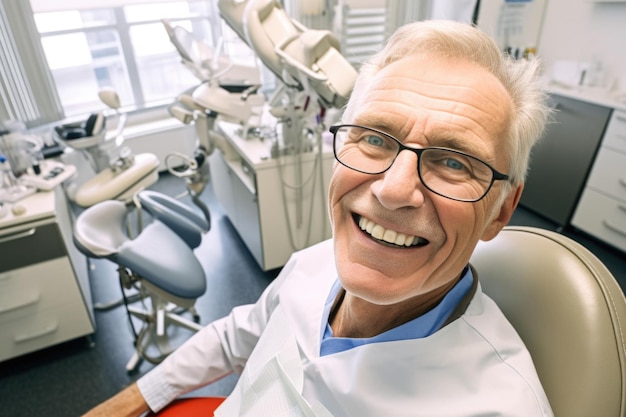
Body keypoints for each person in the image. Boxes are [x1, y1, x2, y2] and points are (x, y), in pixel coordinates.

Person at [83, 19, 553, 417]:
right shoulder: (314, 263)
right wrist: (130, 400)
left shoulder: (501, 404)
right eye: (374, 138)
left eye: (453, 162)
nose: (392, 191)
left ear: (502, 211)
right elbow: (235, 336)